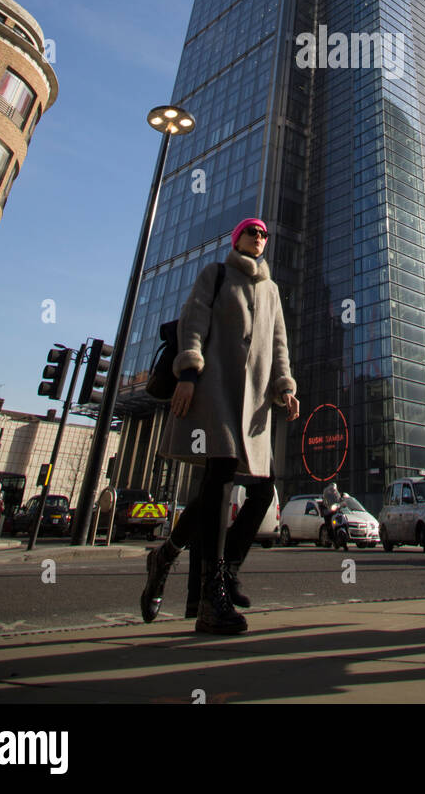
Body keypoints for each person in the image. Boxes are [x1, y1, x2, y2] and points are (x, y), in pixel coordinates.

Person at [140, 219, 299, 634]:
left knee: (260, 488)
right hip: (216, 391)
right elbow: (194, 322)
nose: (259, 238)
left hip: (256, 402)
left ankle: (177, 558)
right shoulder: (216, 273)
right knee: (221, 478)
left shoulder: (272, 290)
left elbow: (278, 343)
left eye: (264, 234)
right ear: (237, 239)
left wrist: (285, 387)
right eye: (252, 232)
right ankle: (213, 599)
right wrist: (189, 373)